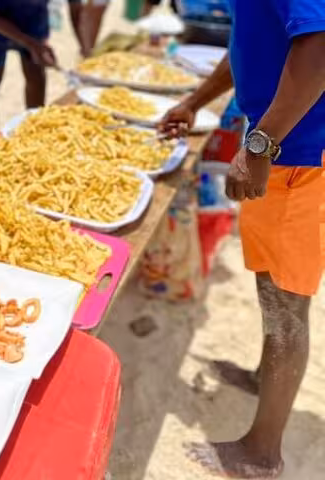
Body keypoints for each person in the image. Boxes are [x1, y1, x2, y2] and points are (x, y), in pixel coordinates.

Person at [160, 1, 325, 478]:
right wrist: (194, 101)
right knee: (271, 283)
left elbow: (318, 46)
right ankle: (263, 376)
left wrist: (260, 145)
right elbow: (248, 45)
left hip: (301, 158)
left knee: (286, 303)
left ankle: (261, 454)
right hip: (281, 150)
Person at [0, 0, 94, 129]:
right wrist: (31, 44)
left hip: (33, 19)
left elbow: (75, 7)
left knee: (36, 76)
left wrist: (85, 48)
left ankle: (34, 128)